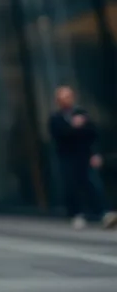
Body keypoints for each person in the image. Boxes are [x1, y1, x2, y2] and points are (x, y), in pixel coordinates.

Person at [49, 86, 117, 229]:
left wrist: (95, 153)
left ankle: (104, 213)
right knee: (71, 186)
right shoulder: (56, 118)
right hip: (67, 157)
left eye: (68, 97)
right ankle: (77, 214)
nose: (66, 100)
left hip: (85, 155)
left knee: (93, 183)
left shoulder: (82, 114)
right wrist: (74, 127)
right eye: (62, 98)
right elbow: (59, 136)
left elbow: (92, 134)